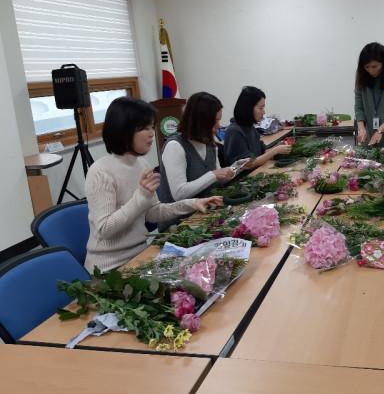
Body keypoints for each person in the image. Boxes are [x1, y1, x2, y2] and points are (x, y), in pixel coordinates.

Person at [85, 97, 223, 273]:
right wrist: (141, 197)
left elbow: (153, 212)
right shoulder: (100, 171)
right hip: (110, 268)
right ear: (123, 129)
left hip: (141, 254)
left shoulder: (141, 164)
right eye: (144, 128)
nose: (151, 133)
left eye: (152, 126)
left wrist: (193, 203)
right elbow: (105, 230)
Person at [158, 92, 234, 230]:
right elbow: (179, 193)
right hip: (179, 225)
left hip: (206, 214)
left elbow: (216, 179)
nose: (219, 125)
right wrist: (213, 174)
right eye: (215, 120)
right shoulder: (175, 146)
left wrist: (235, 169)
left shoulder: (210, 143)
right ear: (201, 121)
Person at [224, 86, 291, 168]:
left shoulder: (250, 127)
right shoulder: (234, 131)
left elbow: (262, 153)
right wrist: (275, 151)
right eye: (261, 108)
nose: (264, 112)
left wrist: (277, 147)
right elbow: (248, 164)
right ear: (248, 108)